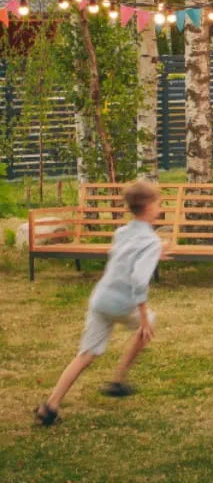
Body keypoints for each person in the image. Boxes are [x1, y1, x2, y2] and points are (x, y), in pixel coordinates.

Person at [34, 181, 167, 425]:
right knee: (149, 323)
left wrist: (154, 254)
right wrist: (143, 318)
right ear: (148, 206)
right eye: (158, 203)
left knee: (85, 355)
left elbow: (124, 256)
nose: (160, 207)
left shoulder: (122, 232)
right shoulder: (152, 241)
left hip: (101, 299)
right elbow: (139, 280)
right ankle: (118, 379)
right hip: (122, 304)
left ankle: (50, 405)